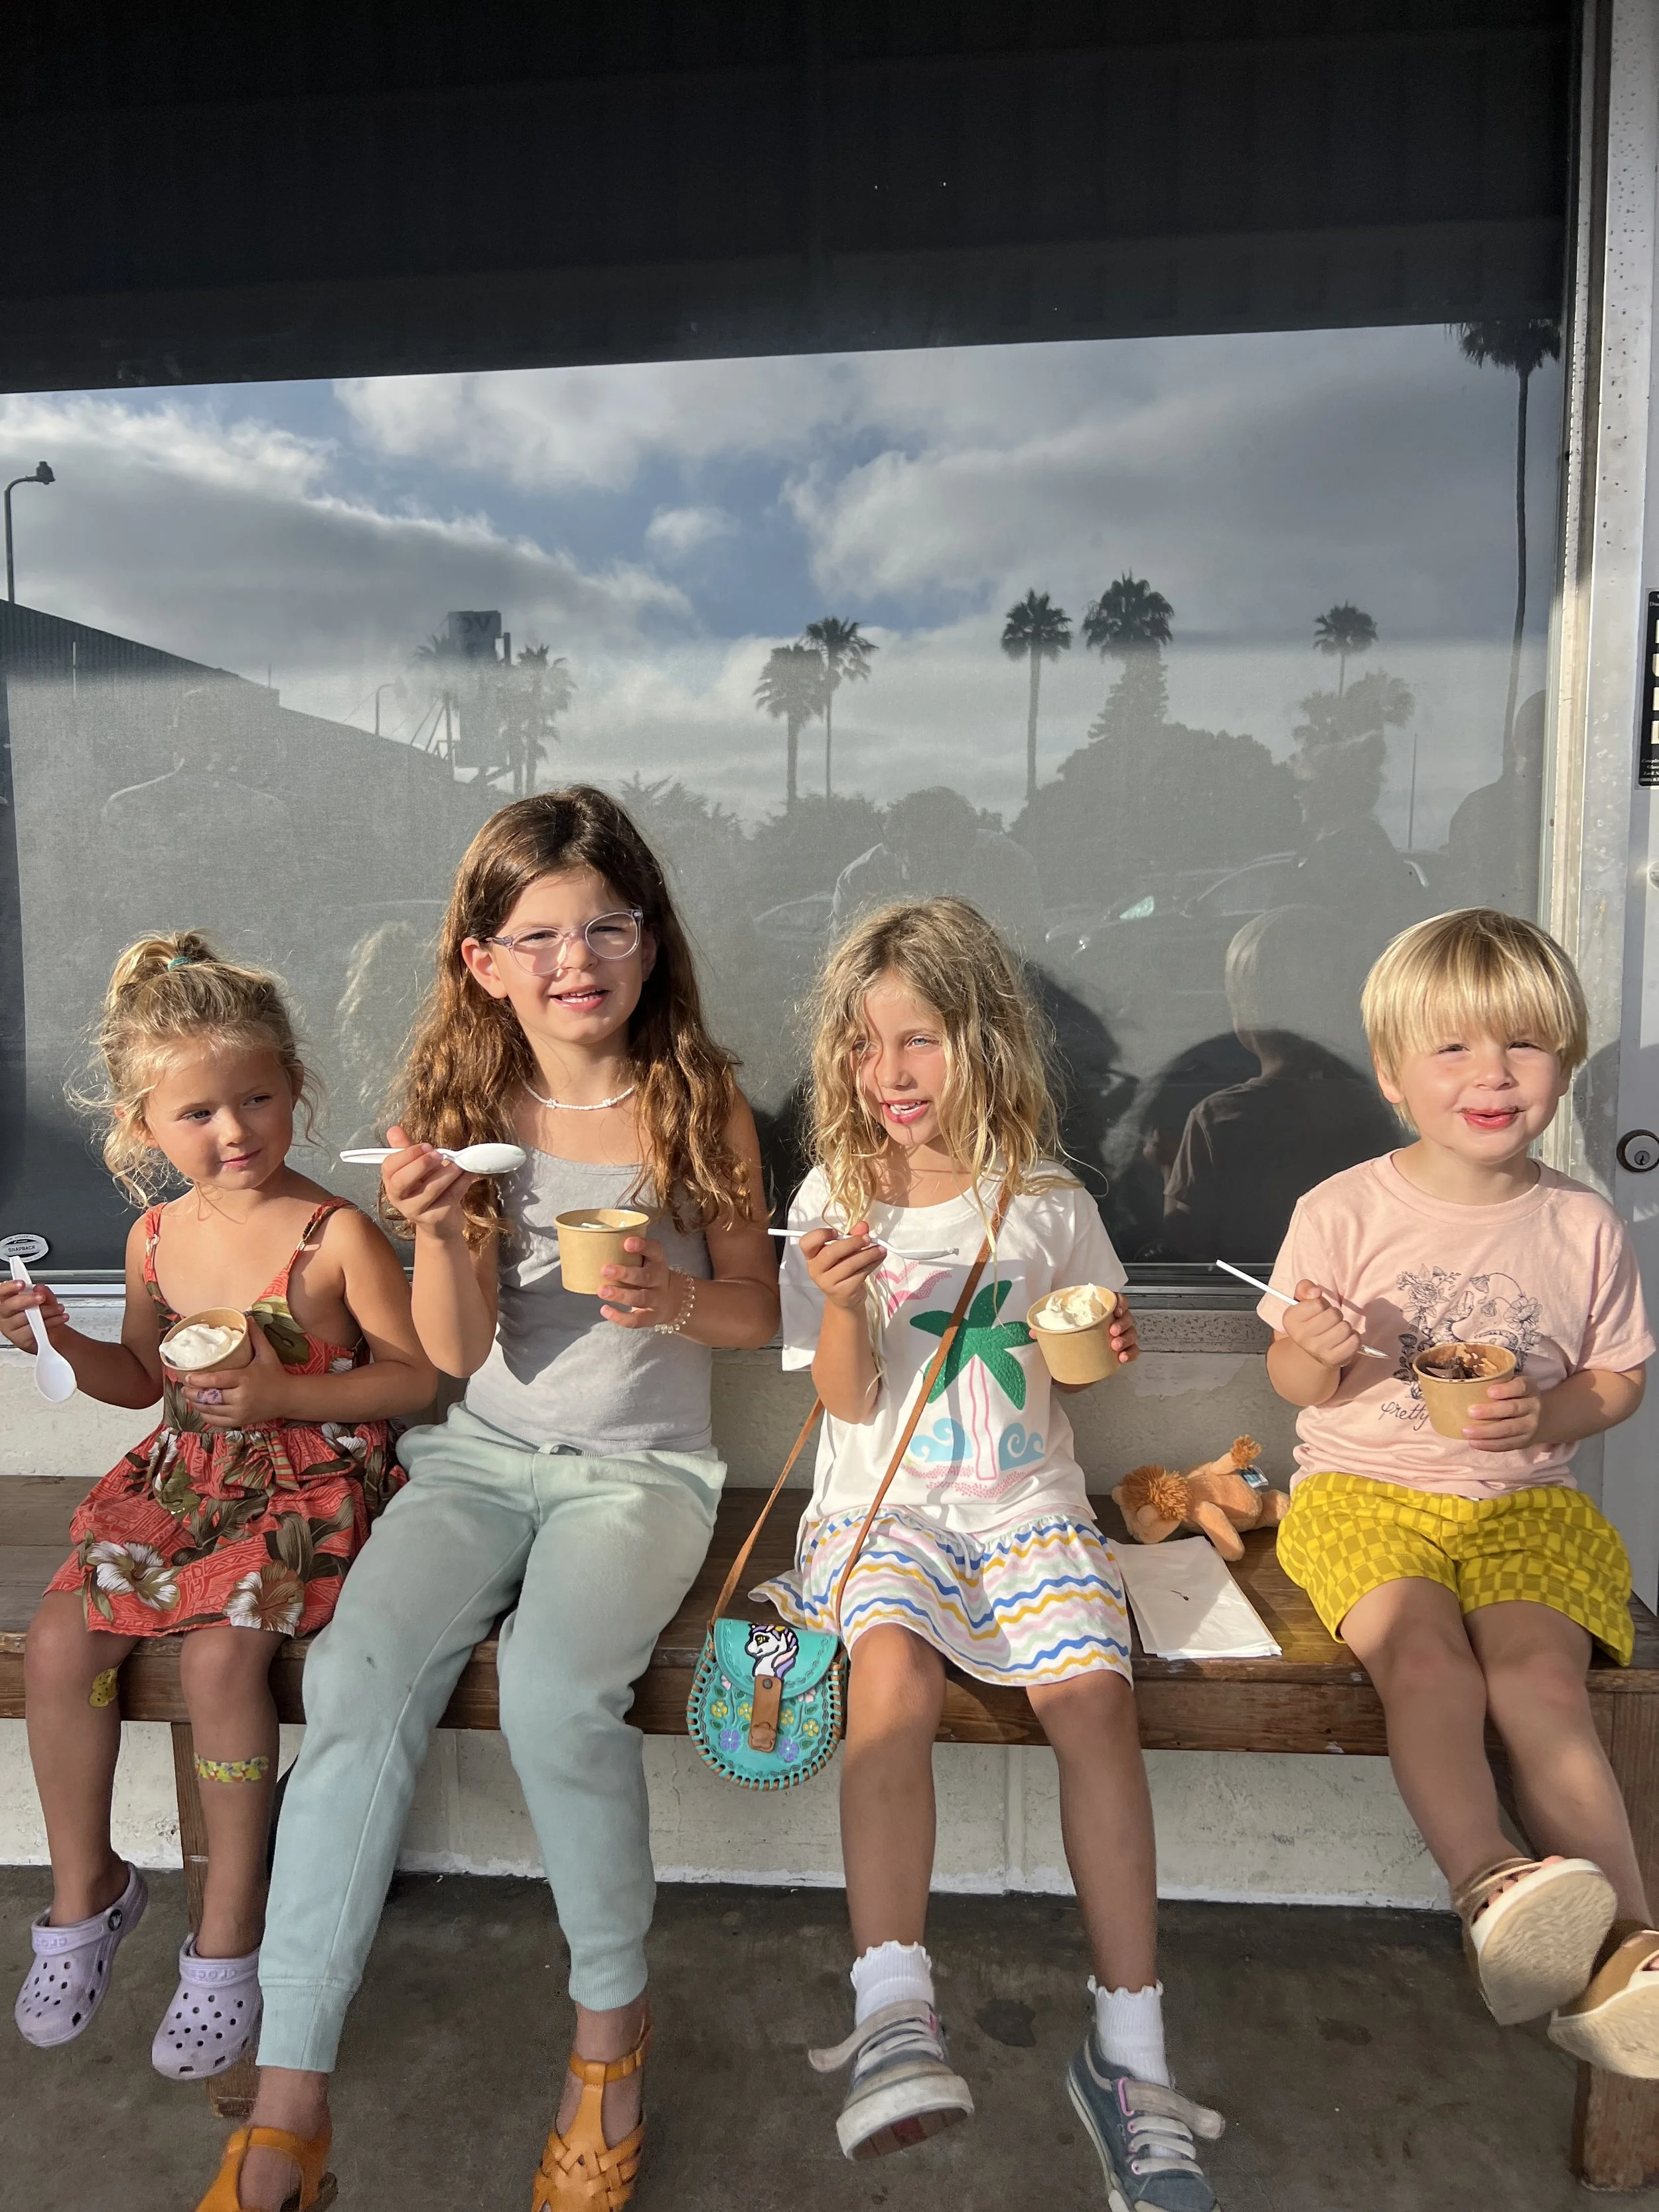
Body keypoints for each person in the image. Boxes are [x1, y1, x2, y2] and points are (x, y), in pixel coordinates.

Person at [195, 788, 779, 2212]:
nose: (574, 959)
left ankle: (607, 2041)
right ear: (483, 961)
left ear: (649, 943)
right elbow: (452, 1357)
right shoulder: (466, 1114)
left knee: (552, 1697)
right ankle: (291, 2093)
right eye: (538, 935)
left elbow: (757, 1310)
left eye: (605, 927)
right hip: (476, 1457)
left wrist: (672, 1291)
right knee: (356, 1674)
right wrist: (434, 1224)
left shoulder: (700, 1099)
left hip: (637, 1472)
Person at [759, 897, 1224, 2207]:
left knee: (1092, 1702)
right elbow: (844, 1401)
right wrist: (844, 1294)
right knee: (888, 1682)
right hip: (882, 1513)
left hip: (1025, 1508)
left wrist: (1105, 1343)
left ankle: (1128, 2057)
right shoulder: (829, 1199)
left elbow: (1082, 1344)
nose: (888, 1073)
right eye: (861, 1045)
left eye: (919, 1039)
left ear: (985, 1041)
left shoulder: (1047, 1200)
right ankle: (892, 2007)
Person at [7, 931, 431, 2086]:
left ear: (296, 1087)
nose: (234, 1130)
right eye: (197, 1112)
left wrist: (287, 1388)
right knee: (57, 1642)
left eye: (257, 1097)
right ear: (145, 1127)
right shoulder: (155, 1238)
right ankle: (86, 1891)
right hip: (188, 1474)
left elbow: (416, 1377)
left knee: (218, 1659)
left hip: (313, 1476)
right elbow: (142, 1380)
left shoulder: (331, 1232)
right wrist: (59, 1337)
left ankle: (230, 1937)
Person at [1263, 907, 1659, 2072]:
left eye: (1524, 1046)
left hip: (1524, 1499)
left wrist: (1552, 1411)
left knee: (1542, 1676)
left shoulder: (1581, 1223)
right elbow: (1291, 1372)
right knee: (1427, 1662)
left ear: (1565, 1066)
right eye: (1452, 1049)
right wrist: (1320, 1344)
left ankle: (1632, 1952)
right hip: (1365, 1494)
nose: (1491, 1074)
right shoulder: (1343, 1210)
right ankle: (1492, 1884)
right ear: (1394, 1076)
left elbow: (1618, 1378)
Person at [1162, 905, 1399, 1261]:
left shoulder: (1218, 1117)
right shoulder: (1372, 1106)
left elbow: (1185, 1235)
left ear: (1244, 1015)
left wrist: (1168, 1170)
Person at [831, 786, 1045, 953]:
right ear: (894, 850)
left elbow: (1030, 951)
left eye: (948, 860)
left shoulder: (1009, 865)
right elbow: (845, 968)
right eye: (923, 859)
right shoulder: (857, 881)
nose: (936, 876)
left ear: (969, 847)